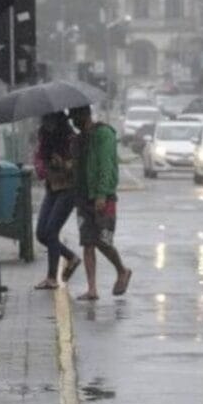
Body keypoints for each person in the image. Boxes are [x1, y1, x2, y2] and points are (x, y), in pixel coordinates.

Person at [69, 106, 131, 300]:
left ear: (86, 115)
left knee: (103, 241)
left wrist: (102, 194)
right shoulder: (79, 139)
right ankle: (92, 288)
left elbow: (105, 164)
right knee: (87, 242)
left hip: (103, 197)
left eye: (76, 117)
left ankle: (122, 270)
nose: (74, 122)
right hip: (83, 197)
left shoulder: (103, 134)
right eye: (72, 118)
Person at [33, 112, 82, 290]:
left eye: (51, 120)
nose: (47, 123)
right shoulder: (44, 137)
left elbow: (78, 166)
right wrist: (42, 166)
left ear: (59, 121)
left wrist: (63, 163)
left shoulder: (70, 139)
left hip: (68, 189)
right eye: (45, 120)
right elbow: (39, 157)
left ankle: (52, 278)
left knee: (52, 232)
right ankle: (71, 257)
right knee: (41, 234)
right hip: (52, 187)